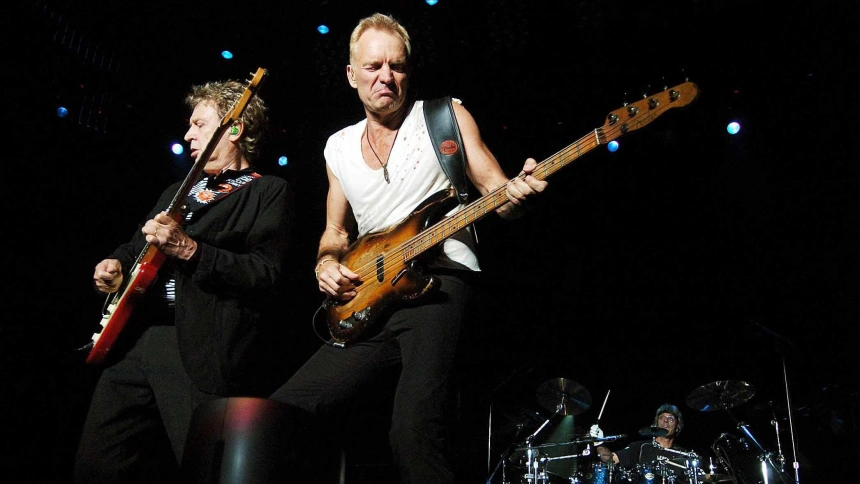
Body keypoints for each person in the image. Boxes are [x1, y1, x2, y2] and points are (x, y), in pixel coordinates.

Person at [269, 12, 547, 484]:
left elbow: (497, 192)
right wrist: (325, 263)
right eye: (374, 66)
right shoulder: (338, 147)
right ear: (351, 75)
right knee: (286, 410)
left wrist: (517, 196)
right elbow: (335, 231)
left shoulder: (444, 116)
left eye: (396, 66)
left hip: (439, 285)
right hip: (370, 295)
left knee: (413, 432)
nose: (386, 76)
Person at [74, 79, 294, 483]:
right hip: (138, 338)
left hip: (201, 345)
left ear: (233, 129)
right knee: (97, 464)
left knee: (202, 466)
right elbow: (136, 247)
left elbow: (264, 273)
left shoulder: (268, 191)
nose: (188, 134)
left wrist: (190, 249)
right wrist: (114, 267)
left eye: (199, 124)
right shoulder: (177, 191)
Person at [596, 404, 697, 482]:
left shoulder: (684, 455)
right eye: (662, 418)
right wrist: (598, 442)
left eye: (671, 418)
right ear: (656, 424)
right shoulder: (641, 447)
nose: (665, 421)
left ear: (677, 427)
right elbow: (609, 459)